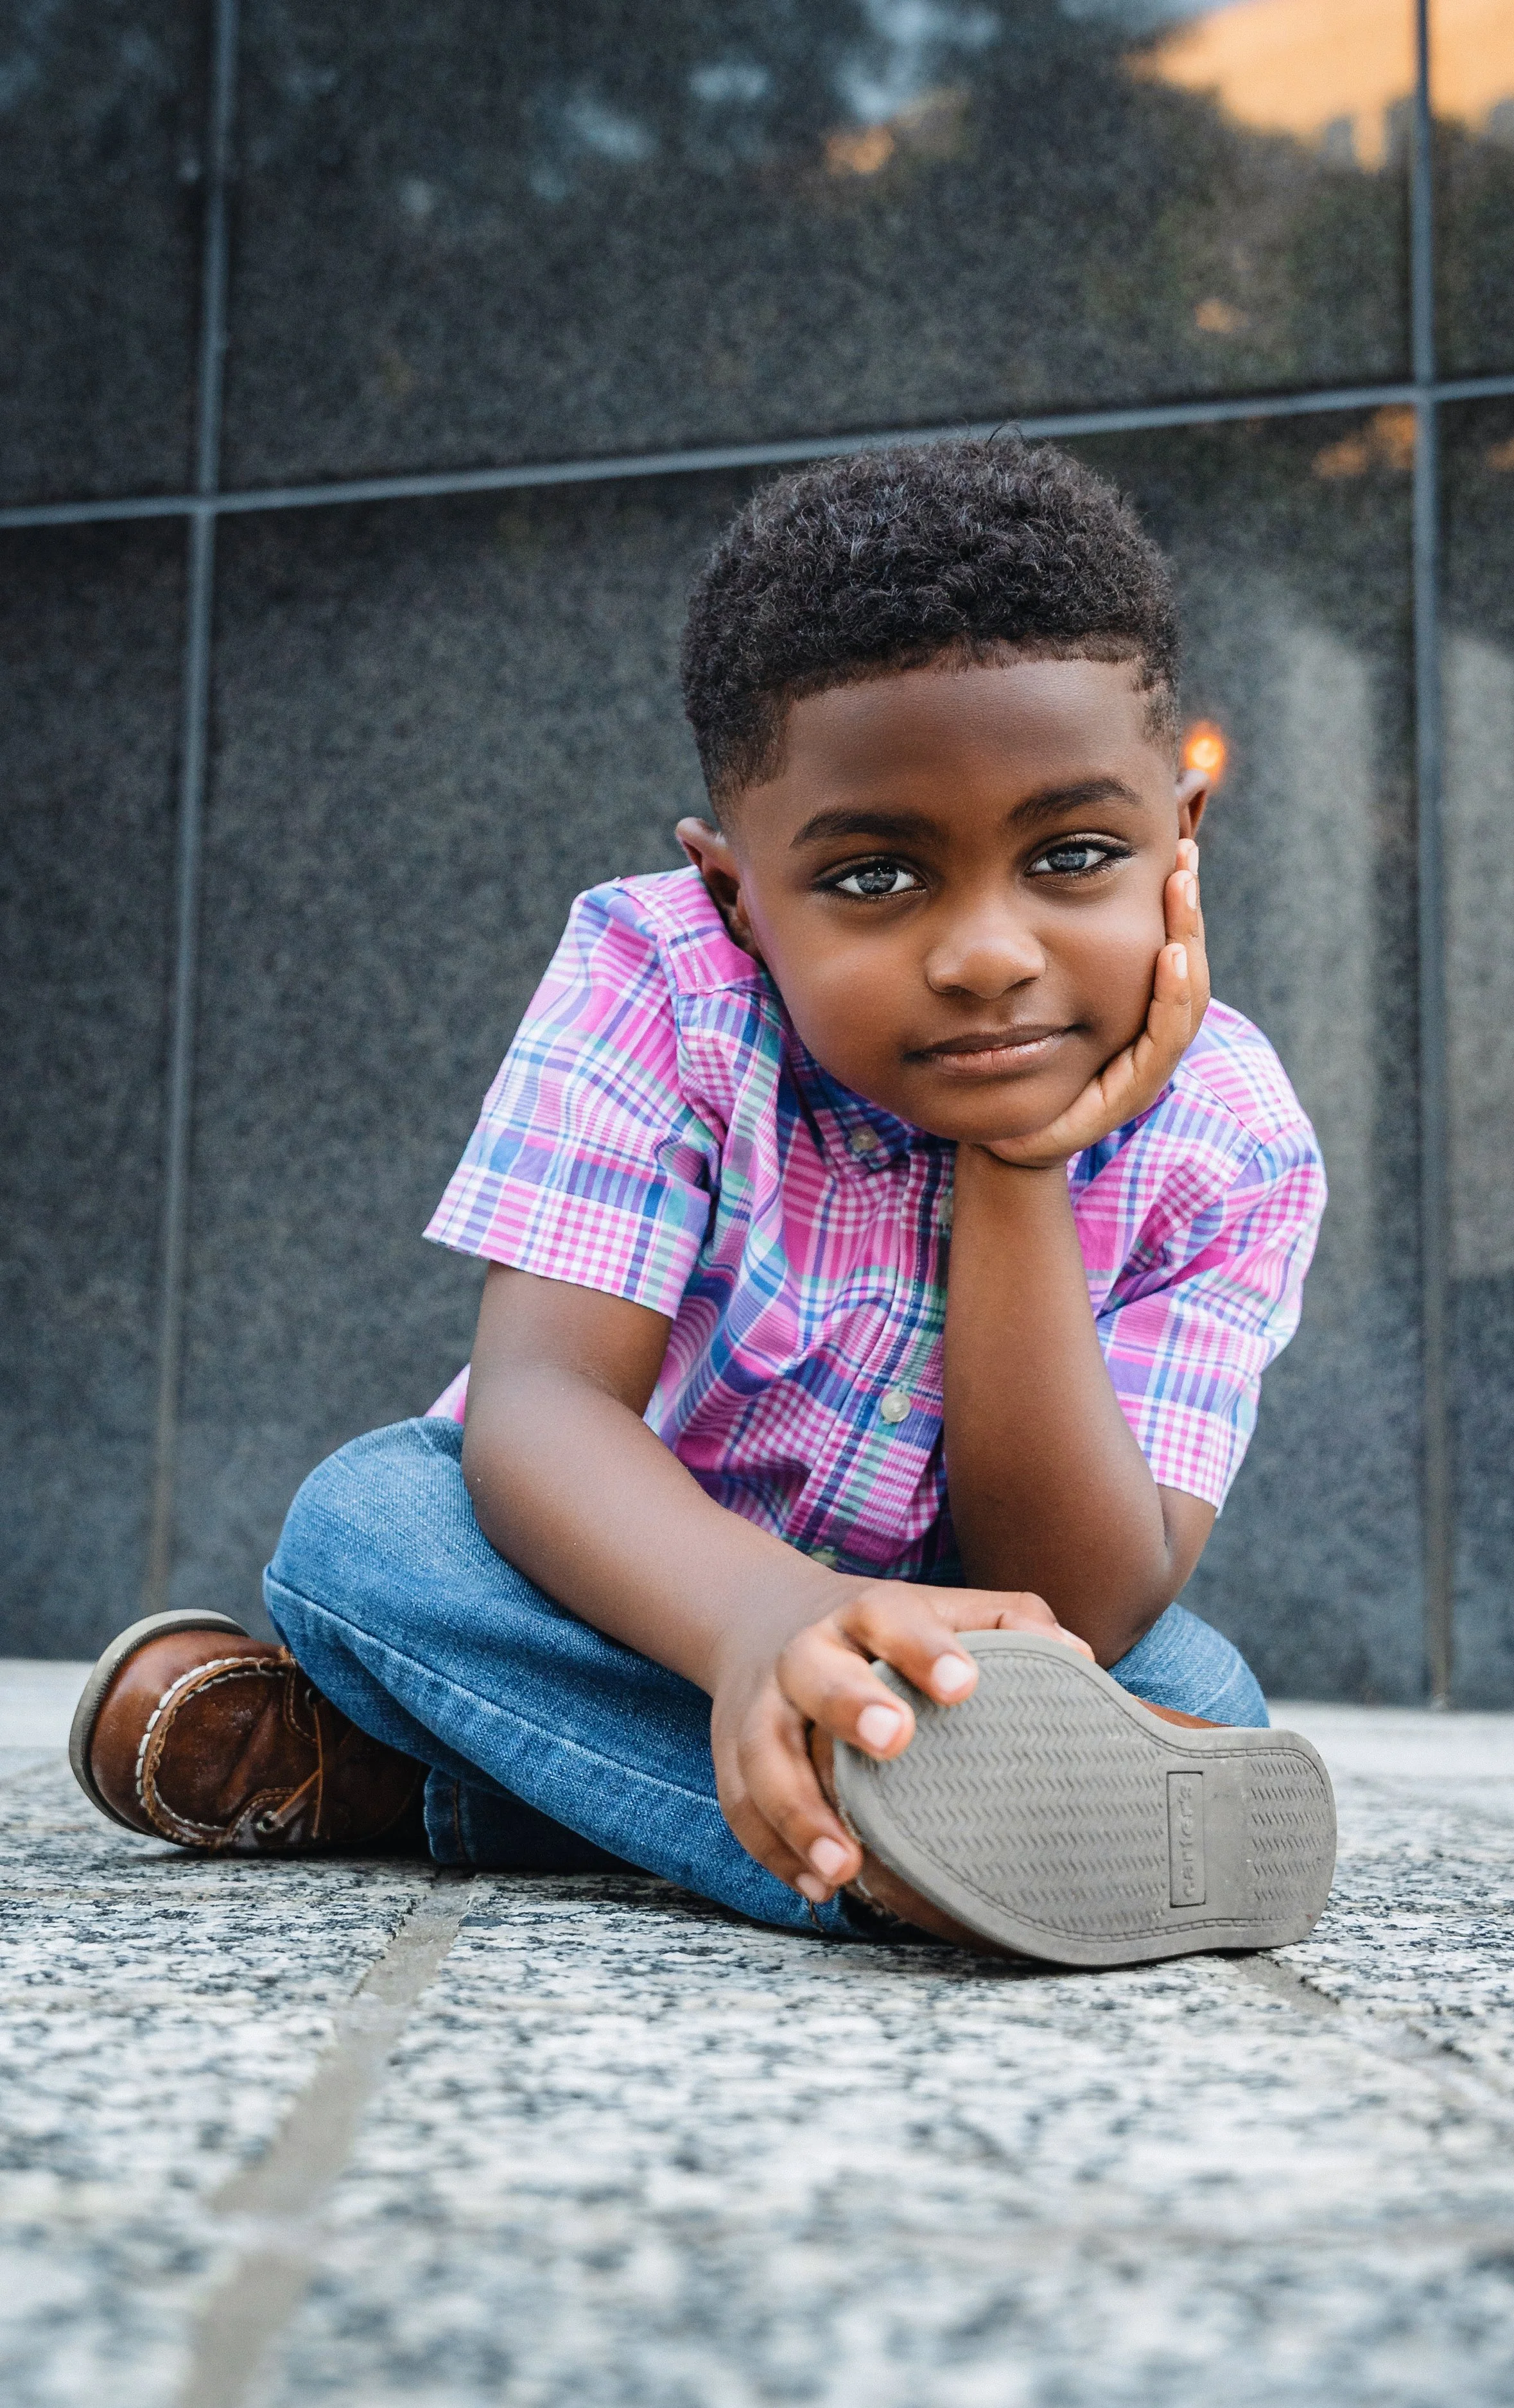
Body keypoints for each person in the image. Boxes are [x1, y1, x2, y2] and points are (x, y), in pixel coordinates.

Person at [69, 441, 1337, 1966]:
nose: (989, 955)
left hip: (965, 1644)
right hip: (620, 1587)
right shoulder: (660, 983)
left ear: (1177, 856)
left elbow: (1079, 1594)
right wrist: (756, 1626)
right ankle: (879, 1843)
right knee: (364, 1529)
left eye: (1072, 857)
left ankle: (434, 1786)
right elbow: (539, 1410)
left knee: (1201, 1701)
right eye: (876, 878)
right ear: (736, 895)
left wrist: (1018, 1174)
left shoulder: (1235, 1140)